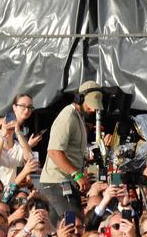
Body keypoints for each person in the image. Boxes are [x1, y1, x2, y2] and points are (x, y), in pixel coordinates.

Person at [38, 81, 104, 222]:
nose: (93, 109)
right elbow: (54, 152)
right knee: (71, 225)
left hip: (65, 182)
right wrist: (77, 174)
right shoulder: (67, 117)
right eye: (90, 105)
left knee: (67, 225)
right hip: (57, 182)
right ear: (79, 99)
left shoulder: (78, 117)